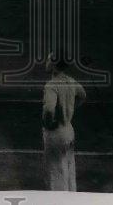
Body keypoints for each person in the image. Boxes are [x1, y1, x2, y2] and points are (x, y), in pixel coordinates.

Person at [41, 53, 86, 192]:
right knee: (69, 169)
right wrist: (70, 109)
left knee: (56, 173)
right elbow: (82, 95)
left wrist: (49, 123)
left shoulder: (51, 86)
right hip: (69, 130)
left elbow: (49, 108)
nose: (46, 62)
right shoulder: (71, 81)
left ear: (54, 64)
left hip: (56, 133)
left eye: (48, 59)